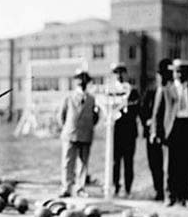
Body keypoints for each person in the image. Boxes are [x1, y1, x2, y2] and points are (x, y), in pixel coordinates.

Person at [151, 59, 188, 206]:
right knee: (170, 166)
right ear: (173, 73)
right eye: (177, 71)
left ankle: (185, 196)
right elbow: (157, 113)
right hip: (172, 131)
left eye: (184, 71)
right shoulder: (166, 90)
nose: (180, 74)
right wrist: (155, 132)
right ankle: (170, 195)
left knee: (187, 165)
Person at [59, 68, 99, 198]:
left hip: (86, 134)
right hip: (70, 134)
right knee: (68, 162)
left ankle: (80, 188)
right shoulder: (68, 97)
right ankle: (66, 187)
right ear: (75, 81)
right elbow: (61, 116)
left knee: (83, 163)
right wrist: (67, 128)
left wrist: (88, 126)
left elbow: (95, 117)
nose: (81, 81)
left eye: (84, 78)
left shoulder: (92, 99)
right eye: (79, 78)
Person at [139, 58, 172, 200]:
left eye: (166, 75)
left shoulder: (171, 92)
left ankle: (168, 191)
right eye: (161, 75)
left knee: (167, 165)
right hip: (151, 133)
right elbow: (142, 109)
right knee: (154, 163)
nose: (162, 78)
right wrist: (147, 121)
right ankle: (158, 190)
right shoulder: (151, 92)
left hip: (166, 135)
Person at [108, 63, 139, 198]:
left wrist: (125, 106)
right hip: (115, 131)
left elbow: (136, 109)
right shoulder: (110, 91)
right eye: (116, 72)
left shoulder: (132, 90)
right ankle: (115, 187)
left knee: (128, 161)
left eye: (121, 72)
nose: (119, 75)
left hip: (129, 130)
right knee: (115, 161)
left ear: (125, 73)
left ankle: (128, 189)